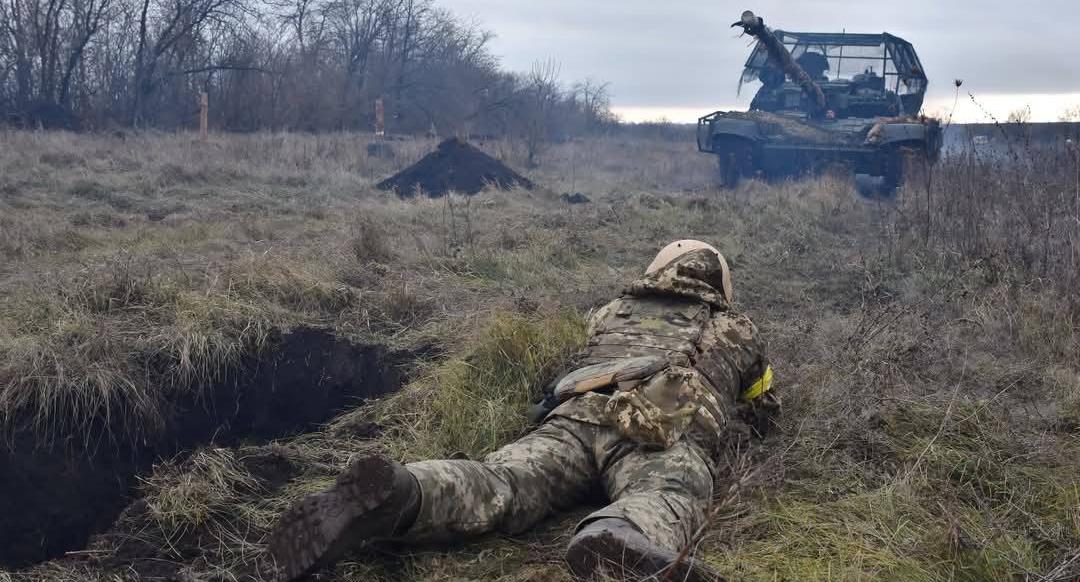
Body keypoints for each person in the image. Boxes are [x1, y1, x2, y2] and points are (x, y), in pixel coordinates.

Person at [267, 240, 778, 582]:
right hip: (661, 431)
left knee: (504, 482)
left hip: (576, 414)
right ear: (720, 288)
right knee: (667, 491)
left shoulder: (608, 313)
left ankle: (407, 492)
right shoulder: (737, 328)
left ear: (657, 272)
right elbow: (761, 409)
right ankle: (618, 535)